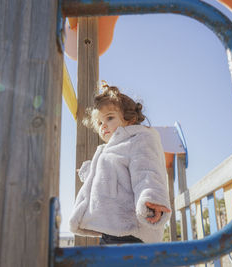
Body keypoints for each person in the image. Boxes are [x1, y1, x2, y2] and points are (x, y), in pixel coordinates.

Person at [69, 82, 171, 244]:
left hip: (131, 230)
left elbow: (147, 170)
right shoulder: (110, 150)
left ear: (130, 119)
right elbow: (110, 177)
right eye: (100, 123)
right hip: (111, 230)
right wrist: (89, 171)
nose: (104, 126)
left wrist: (152, 198)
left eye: (109, 118)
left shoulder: (139, 139)